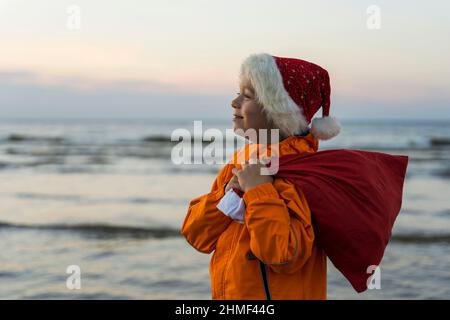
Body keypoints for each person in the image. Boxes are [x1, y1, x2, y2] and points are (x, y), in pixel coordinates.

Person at [180, 53, 341, 300]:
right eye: (238, 92)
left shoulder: (299, 173)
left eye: (248, 96)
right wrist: (229, 194)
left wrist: (258, 191)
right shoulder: (242, 160)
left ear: (280, 111)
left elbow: (283, 256)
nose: (234, 102)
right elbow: (197, 234)